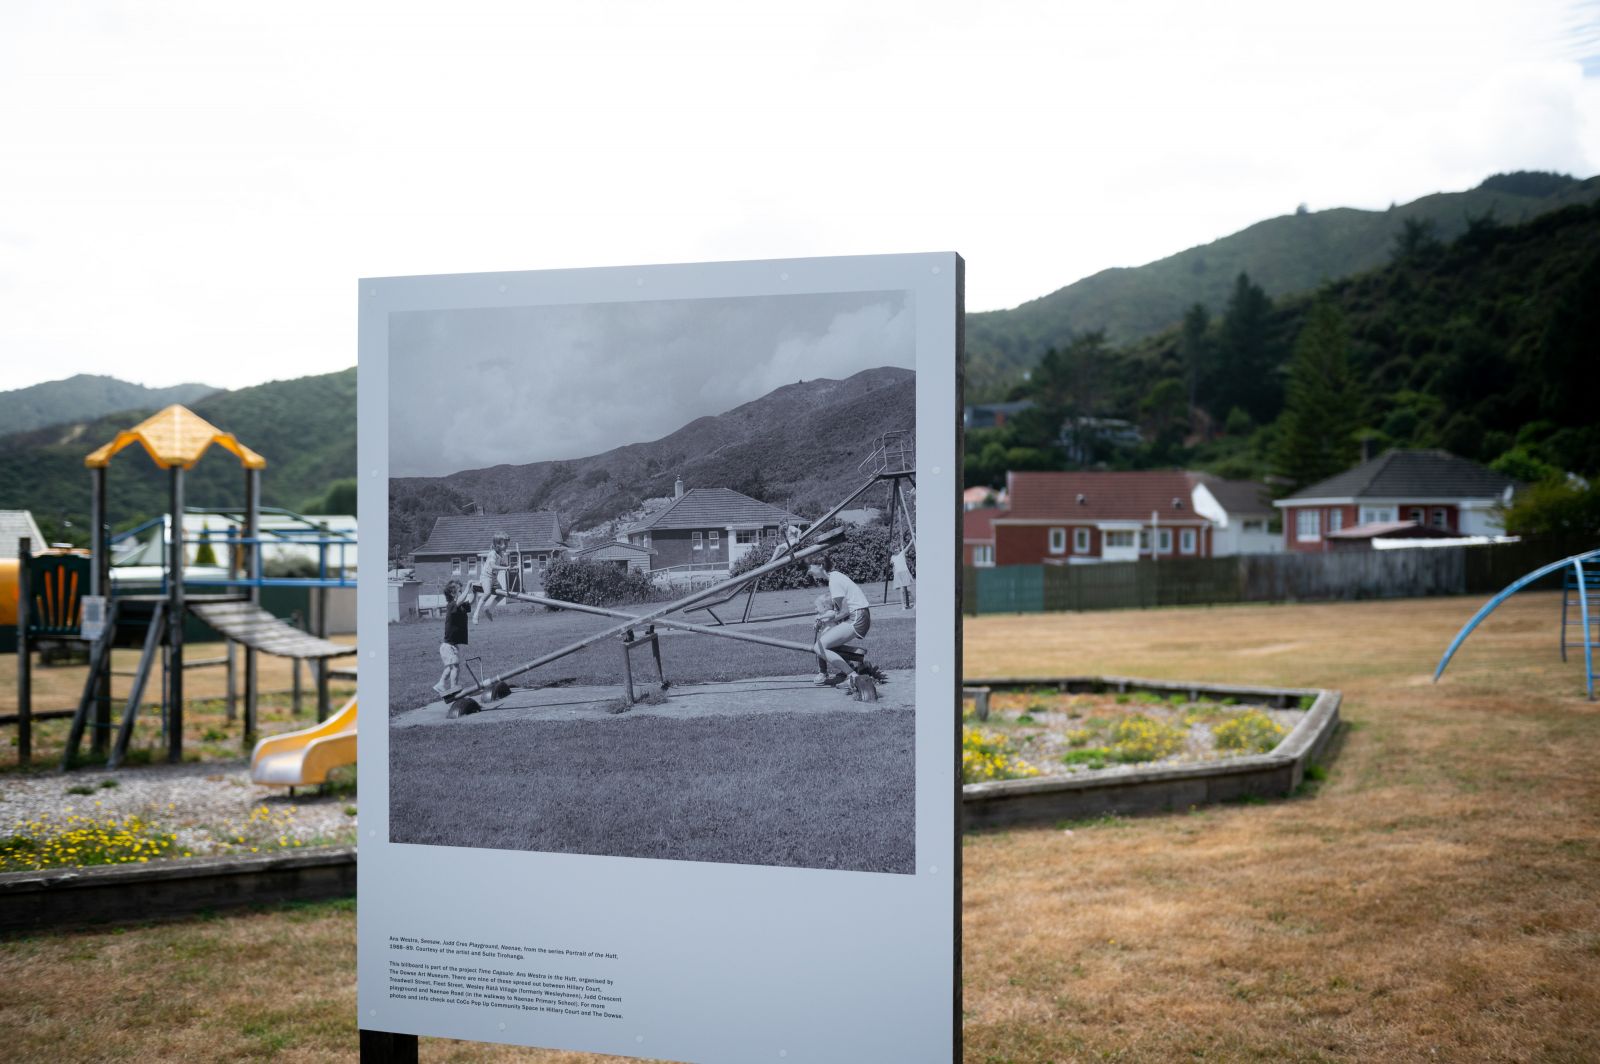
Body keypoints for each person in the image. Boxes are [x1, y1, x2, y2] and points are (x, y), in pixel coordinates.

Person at [809, 554, 874, 695]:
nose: (809, 569)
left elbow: (843, 611)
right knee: (827, 643)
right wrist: (824, 618)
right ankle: (853, 666)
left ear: (820, 566)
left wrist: (822, 618)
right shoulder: (835, 576)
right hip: (859, 615)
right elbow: (838, 611)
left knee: (819, 647)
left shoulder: (834, 581)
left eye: (811, 566)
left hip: (857, 617)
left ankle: (852, 676)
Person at [433, 579, 476, 696]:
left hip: (452, 645)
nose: (463, 593)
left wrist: (474, 592)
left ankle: (440, 684)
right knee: (455, 668)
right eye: (460, 591)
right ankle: (454, 689)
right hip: (448, 646)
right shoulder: (451, 605)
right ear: (453, 594)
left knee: (450, 668)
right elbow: (461, 599)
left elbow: (471, 602)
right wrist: (468, 587)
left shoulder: (461, 606)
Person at [474, 531, 512, 623]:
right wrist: (505, 568)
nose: (507, 545)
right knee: (487, 593)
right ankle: (476, 614)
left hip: (494, 579)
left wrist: (506, 565)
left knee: (501, 594)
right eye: (505, 544)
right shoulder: (492, 553)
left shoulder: (501, 554)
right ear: (498, 545)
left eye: (507, 543)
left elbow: (501, 564)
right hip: (486, 577)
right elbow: (493, 566)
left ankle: (489, 610)